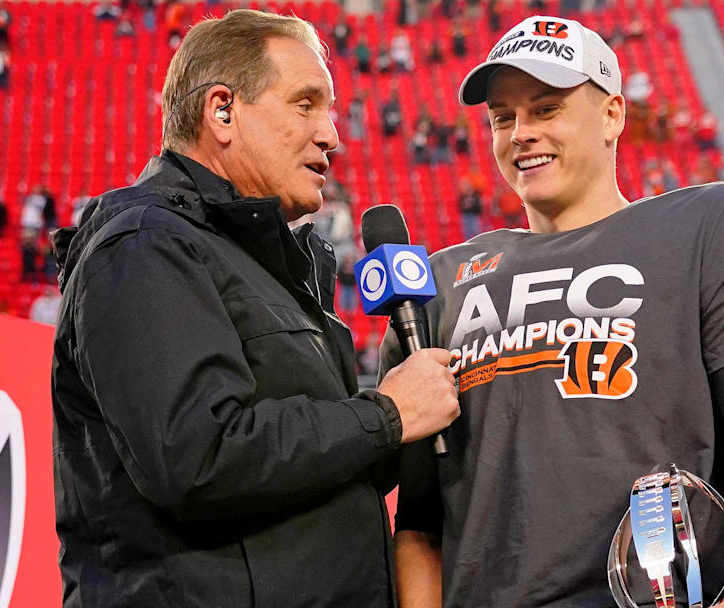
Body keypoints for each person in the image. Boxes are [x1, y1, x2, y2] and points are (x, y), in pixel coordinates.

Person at [385, 15, 724, 608]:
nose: (520, 132)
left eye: (546, 109)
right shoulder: (436, 285)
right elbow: (419, 524)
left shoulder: (712, 226)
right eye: (503, 117)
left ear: (613, 115)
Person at [49, 10, 459, 607]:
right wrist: (386, 414)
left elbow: (321, 469)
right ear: (222, 111)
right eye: (305, 104)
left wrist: (404, 426)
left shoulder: (270, 266)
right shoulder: (146, 245)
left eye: (332, 109)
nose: (332, 135)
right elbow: (198, 457)